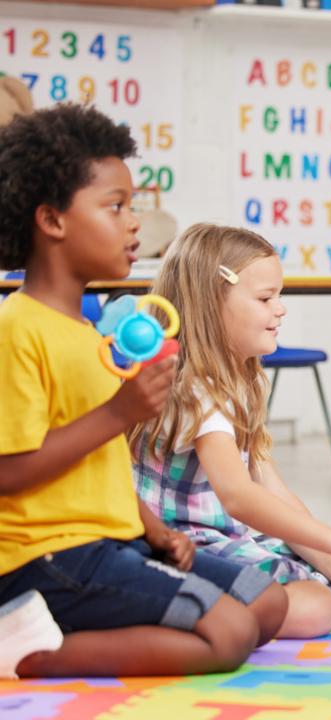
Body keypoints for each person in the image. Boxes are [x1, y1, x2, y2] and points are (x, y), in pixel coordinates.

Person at [0, 104, 287, 678]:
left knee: (267, 601)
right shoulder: (17, 328)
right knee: (228, 633)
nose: (135, 223)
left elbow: (99, 463)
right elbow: (8, 471)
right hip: (45, 558)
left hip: (114, 540)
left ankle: (79, 622)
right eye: (116, 207)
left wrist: (155, 531)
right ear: (52, 221)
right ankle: (24, 649)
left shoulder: (88, 333)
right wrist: (120, 411)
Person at [131, 223, 331, 638]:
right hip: (182, 546)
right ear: (211, 303)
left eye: (279, 295)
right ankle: (179, 610)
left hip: (222, 535)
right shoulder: (194, 390)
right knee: (316, 606)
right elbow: (239, 498)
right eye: (265, 298)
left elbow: (274, 492)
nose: (281, 309)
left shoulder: (240, 380)